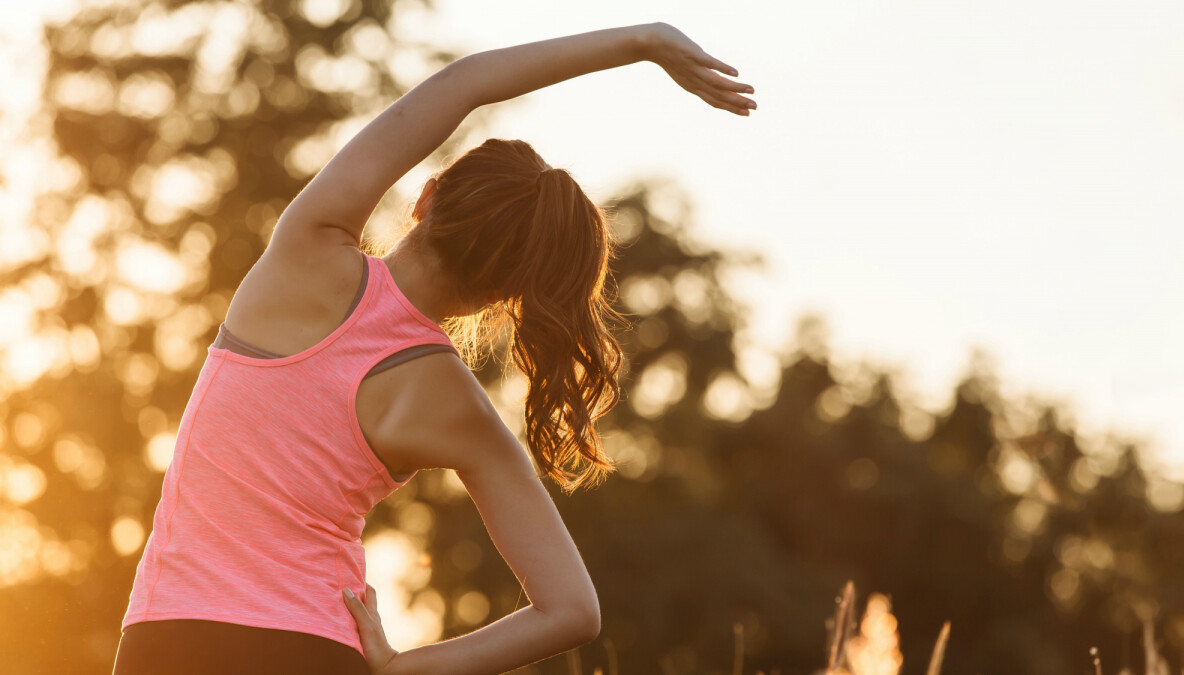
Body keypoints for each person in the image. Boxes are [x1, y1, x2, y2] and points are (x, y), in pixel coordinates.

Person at [112, 21, 755, 675]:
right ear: (507, 294)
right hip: (317, 650)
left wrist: (641, 43)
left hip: (169, 641)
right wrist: (400, 668)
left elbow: (465, 83)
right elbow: (572, 610)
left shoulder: (307, 250)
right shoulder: (460, 409)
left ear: (427, 196)